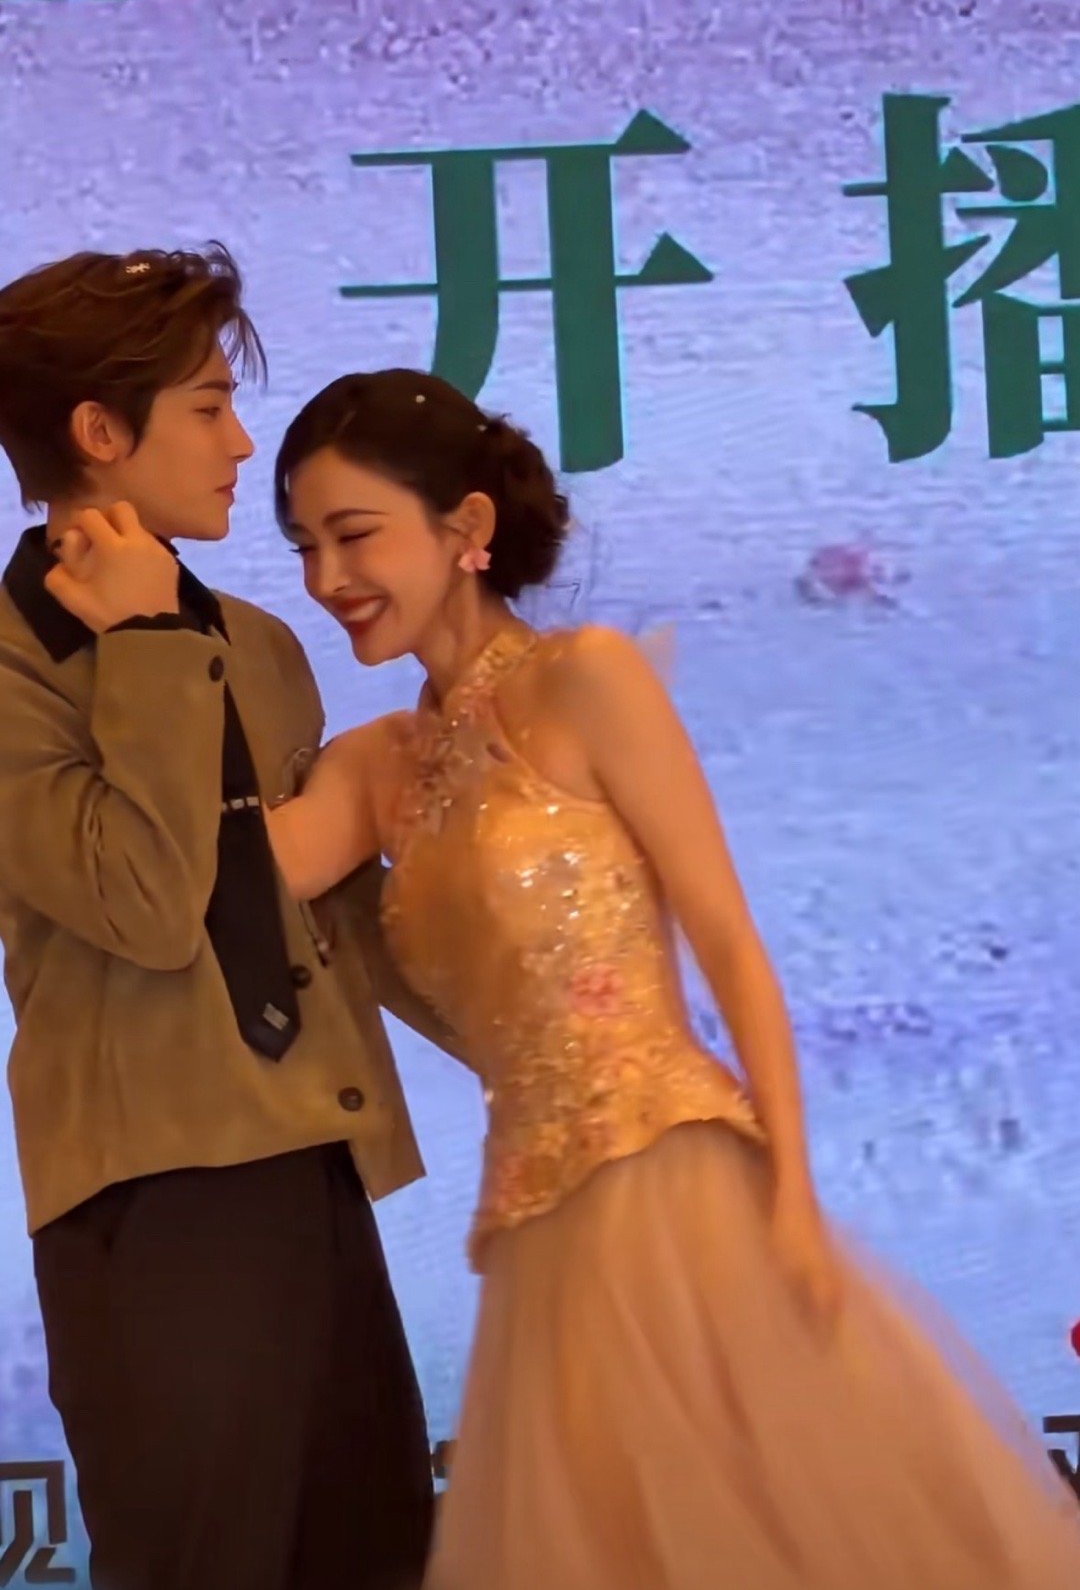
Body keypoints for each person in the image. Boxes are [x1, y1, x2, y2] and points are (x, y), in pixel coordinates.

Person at [73, 366, 1080, 1589]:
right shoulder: (376, 765)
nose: (328, 578)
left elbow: (728, 940)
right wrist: (143, 641)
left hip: (675, 1186)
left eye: (354, 534)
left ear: (467, 526)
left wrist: (792, 1200)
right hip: (535, 1231)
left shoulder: (588, 678)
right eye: (304, 546)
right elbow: (195, 888)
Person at [0, 254, 460, 1590]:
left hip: (314, 1163)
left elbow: (341, 920)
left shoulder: (258, 644)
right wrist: (145, 642)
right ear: (100, 430)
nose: (240, 442)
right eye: (207, 406)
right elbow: (144, 903)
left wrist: (562, 1066)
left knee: (371, 1551)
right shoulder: (14, 664)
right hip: (153, 1196)